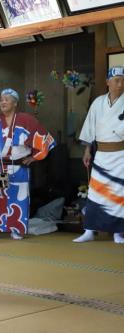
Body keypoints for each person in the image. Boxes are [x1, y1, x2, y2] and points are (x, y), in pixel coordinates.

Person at [0, 88, 55, 241]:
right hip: (0, 165)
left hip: (21, 167)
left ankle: (16, 230)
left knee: (20, 199)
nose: (3, 102)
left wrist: (34, 157)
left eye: (7, 99)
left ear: (15, 103)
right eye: (1, 99)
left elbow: (44, 139)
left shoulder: (27, 119)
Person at [73, 66, 124, 244]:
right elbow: (90, 129)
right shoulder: (98, 103)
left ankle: (118, 232)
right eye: (116, 80)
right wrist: (87, 150)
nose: (120, 83)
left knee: (118, 194)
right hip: (101, 154)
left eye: (122, 80)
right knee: (96, 193)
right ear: (108, 82)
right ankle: (89, 230)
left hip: (121, 156)